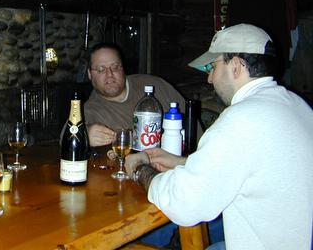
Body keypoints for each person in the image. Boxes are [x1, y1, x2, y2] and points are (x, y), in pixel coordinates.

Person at [125, 24, 313, 250]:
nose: (210, 79)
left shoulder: (241, 119)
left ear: (235, 66)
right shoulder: (297, 105)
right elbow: (258, 167)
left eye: (212, 67)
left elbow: (185, 203)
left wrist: (141, 171)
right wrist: (183, 163)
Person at [85, 42, 185, 147]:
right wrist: (84, 136)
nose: (109, 74)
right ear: (89, 74)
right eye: (101, 69)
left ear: (123, 68)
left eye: (115, 67)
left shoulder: (155, 85)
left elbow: (193, 126)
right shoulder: (90, 110)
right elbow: (69, 135)